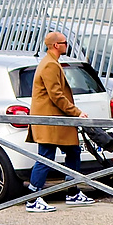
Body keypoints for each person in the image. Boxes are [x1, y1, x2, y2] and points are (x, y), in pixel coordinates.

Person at [26, 30, 91, 211]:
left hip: (57, 121)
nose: (67, 45)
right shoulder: (50, 65)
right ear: (56, 45)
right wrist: (76, 112)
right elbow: (57, 95)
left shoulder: (51, 63)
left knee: (73, 151)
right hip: (50, 121)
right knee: (46, 157)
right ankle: (33, 198)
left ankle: (72, 191)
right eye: (64, 43)